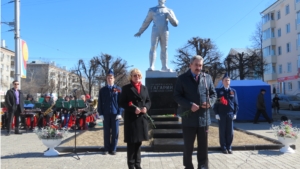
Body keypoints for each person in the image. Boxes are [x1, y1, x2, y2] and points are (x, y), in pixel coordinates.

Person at [173, 55, 216, 169]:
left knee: (203, 146)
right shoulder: (182, 78)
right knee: (188, 146)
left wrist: (210, 102)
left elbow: (213, 94)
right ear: (190, 65)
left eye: (200, 65)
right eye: (196, 65)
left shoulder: (207, 77)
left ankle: (203, 165)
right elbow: (177, 96)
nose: (198, 67)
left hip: (204, 118)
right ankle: (188, 166)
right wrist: (189, 105)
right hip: (189, 119)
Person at [119, 68, 151, 169]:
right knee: (131, 144)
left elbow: (148, 101)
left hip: (141, 119)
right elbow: (121, 103)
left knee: (138, 143)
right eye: (134, 75)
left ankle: (138, 164)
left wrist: (146, 107)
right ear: (131, 77)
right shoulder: (126, 88)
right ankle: (131, 165)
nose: (137, 77)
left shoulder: (144, 88)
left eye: (138, 75)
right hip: (132, 120)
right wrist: (133, 109)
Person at [134, 0, 178, 71]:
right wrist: (140, 31)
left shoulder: (169, 10)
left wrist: (170, 16)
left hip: (165, 31)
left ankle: (164, 66)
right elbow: (146, 21)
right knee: (153, 47)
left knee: (165, 48)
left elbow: (176, 24)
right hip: (155, 30)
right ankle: (151, 66)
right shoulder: (152, 10)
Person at [98, 69, 123, 155]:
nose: (110, 79)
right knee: (106, 132)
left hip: (115, 114)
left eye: (111, 77)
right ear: (106, 79)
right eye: (108, 77)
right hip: (106, 114)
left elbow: (121, 102)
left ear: (114, 79)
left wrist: (120, 112)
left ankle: (113, 148)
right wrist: (100, 113)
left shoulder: (118, 89)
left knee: (115, 132)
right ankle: (106, 148)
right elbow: (100, 102)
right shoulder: (103, 90)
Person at [213, 73, 239, 154]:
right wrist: (216, 113)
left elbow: (236, 103)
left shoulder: (233, 91)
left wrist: (235, 113)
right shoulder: (219, 91)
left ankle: (229, 146)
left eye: (228, 80)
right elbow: (216, 104)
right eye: (226, 80)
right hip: (222, 114)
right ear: (222, 81)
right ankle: (223, 147)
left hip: (230, 114)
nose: (227, 82)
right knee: (222, 131)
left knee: (230, 132)